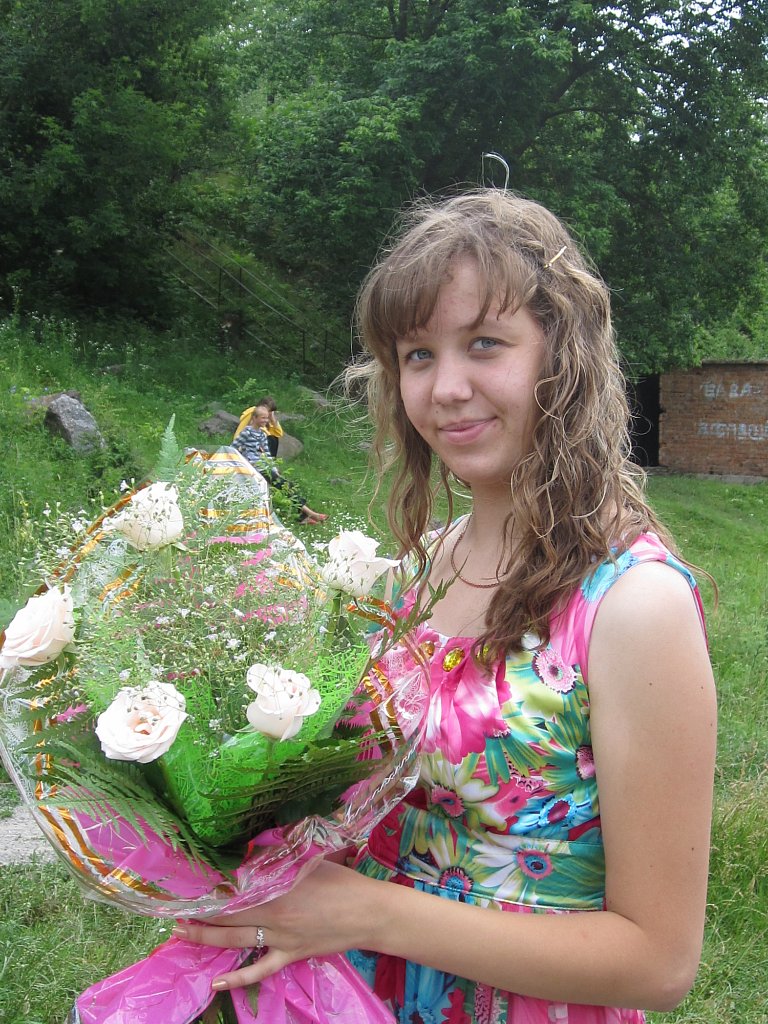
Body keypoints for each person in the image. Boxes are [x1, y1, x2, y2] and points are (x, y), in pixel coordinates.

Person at [175, 190, 717, 1022]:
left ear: (564, 356)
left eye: (485, 344)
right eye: (418, 355)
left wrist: (371, 913)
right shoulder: (419, 569)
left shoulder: (633, 606)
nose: (447, 388)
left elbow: (658, 962)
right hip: (353, 996)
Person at [232, 405, 326, 525]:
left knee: (287, 486)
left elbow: (267, 454)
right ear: (254, 418)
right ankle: (310, 514)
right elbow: (233, 448)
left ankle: (305, 516)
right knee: (284, 485)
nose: (266, 420)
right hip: (253, 468)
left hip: (263, 467)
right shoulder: (246, 432)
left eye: (267, 418)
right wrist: (243, 461)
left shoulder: (262, 434)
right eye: (263, 418)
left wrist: (274, 468)